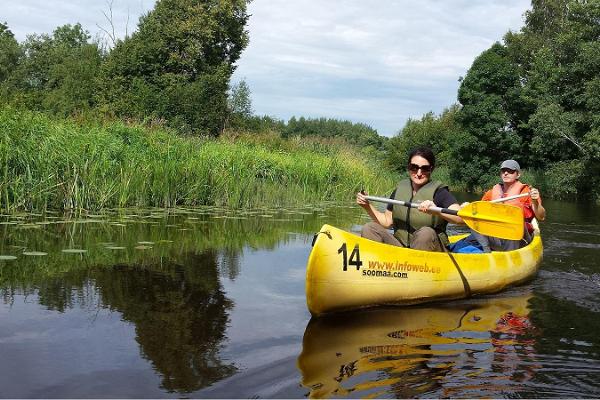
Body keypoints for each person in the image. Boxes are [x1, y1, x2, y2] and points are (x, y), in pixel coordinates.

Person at [356, 146, 462, 252]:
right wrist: (367, 206)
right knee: (369, 228)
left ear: (431, 169)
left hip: (432, 250)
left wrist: (436, 211)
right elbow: (387, 222)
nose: (419, 173)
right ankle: (377, 265)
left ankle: (417, 265)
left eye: (424, 168)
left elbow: (460, 218)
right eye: (414, 167)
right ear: (408, 167)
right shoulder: (400, 189)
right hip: (401, 246)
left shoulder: (440, 192)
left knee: (425, 233)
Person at [470, 159, 546, 252]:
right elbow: (478, 212)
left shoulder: (528, 192)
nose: (506, 173)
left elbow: (541, 216)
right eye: (503, 171)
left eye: (510, 171)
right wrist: (468, 208)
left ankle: (509, 255)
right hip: (496, 236)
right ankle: (486, 250)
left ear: (518, 174)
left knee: (512, 220)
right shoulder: (491, 193)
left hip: (520, 239)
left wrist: (535, 202)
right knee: (473, 218)